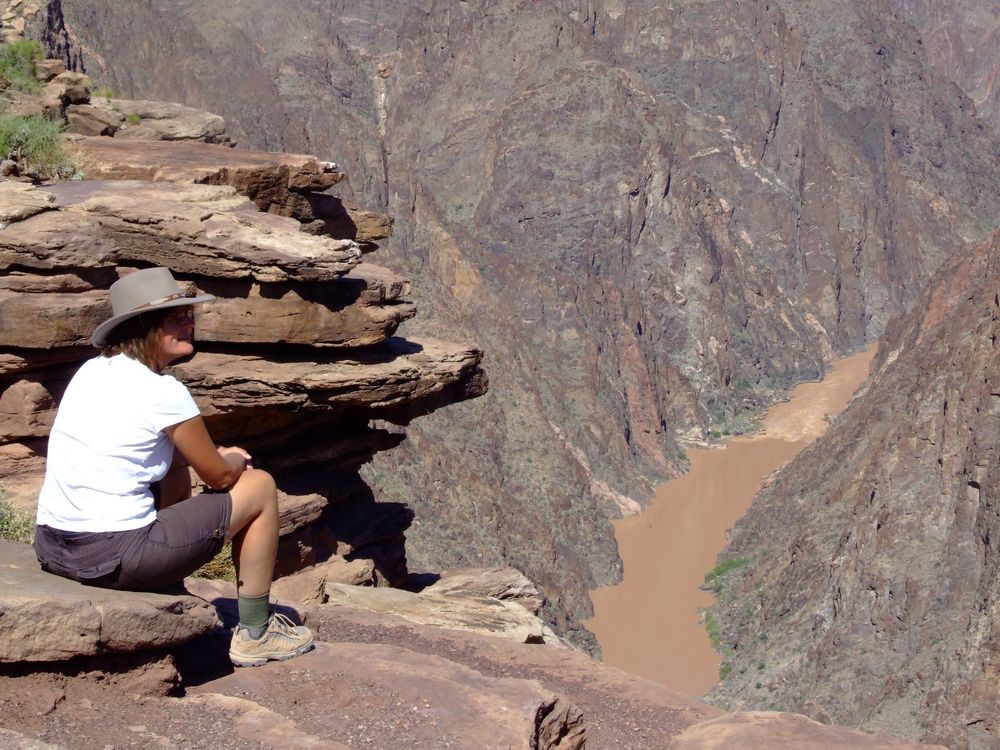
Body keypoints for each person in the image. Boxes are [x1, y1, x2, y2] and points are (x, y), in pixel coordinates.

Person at [33, 267, 314, 667]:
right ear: (143, 328)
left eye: (188, 314)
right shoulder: (163, 390)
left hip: (54, 547)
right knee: (260, 486)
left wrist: (212, 454)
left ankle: (165, 583)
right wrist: (234, 458)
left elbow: (154, 452)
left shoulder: (92, 371)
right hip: (115, 556)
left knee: (173, 468)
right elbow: (218, 475)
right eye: (174, 318)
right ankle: (256, 633)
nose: (188, 323)